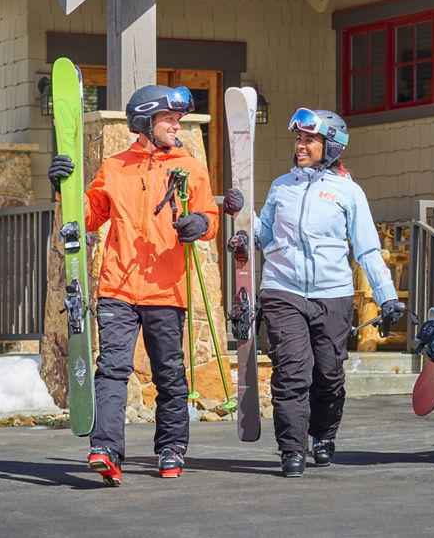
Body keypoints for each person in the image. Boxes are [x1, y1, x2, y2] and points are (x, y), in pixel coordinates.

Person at [47, 84, 219, 485]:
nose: (177, 125)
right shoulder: (116, 167)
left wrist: (201, 224)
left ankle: (172, 447)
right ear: (145, 122)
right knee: (111, 369)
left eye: (178, 119)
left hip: (166, 288)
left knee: (169, 374)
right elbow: (89, 215)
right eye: (169, 119)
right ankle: (105, 449)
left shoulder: (189, 167)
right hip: (118, 287)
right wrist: (63, 188)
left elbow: (209, 215)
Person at [222, 108, 404, 478]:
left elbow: (367, 249)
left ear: (331, 146)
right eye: (299, 139)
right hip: (282, 289)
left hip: (332, 294)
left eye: (309, 140)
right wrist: (243, 218)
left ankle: (322, 435)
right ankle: (292, 449)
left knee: (329, 374)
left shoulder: (348, 192)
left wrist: (387, 296)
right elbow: (264, 235)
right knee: (290, 374)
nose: (300, 145)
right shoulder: (281, 186)